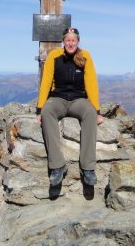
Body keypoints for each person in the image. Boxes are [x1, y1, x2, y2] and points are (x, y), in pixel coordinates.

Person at [36, 27, 103, 187]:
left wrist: (97, 111)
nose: (70, 43)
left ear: (78, 41)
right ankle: (58, 166)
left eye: (73, 40)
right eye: (68, 40)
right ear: (63, 41)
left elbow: (91, 83)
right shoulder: (54, 56)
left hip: (78, 99)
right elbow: (46, 82)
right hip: (58, 98)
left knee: (89, 113)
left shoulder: (85, 56)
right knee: (47, 112)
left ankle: (88, 168)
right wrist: (39, 109)